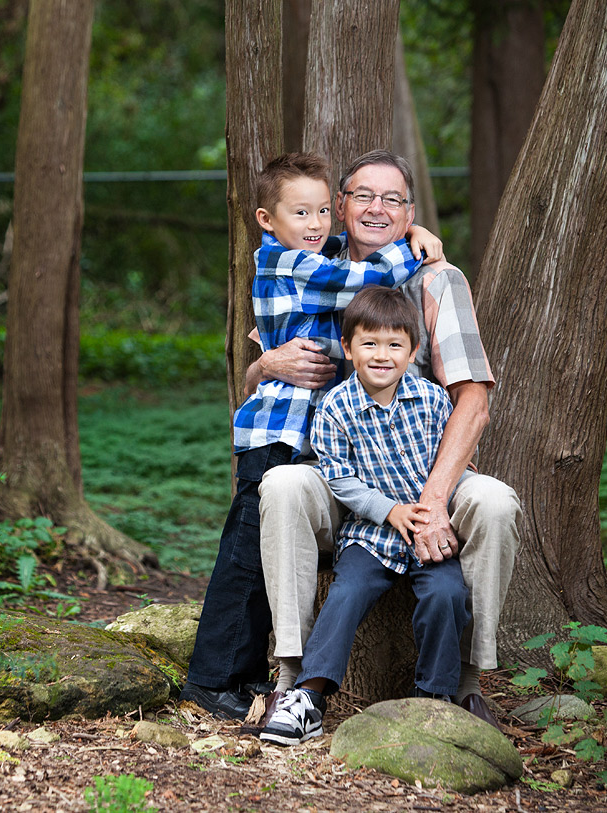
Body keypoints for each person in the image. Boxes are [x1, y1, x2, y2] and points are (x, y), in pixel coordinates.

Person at [256, 150, 521, 729]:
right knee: (282, 485)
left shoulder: (437, 278)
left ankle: (469, 684)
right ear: (340, 205)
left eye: (393, 200)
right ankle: (290, 682)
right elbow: (262, 358)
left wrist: (431, 503)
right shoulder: (308, 262)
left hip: (426, 469)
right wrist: (264, 364)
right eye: (362, 196)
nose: (376, 209)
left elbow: (473, 400)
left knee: (496, 502)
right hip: (345, 470)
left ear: (410, 214)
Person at [179, 152, 442, 719]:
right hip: (278, 435)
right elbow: (366, 279)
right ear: (267, 219)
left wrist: (407, 224)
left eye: (324, 210)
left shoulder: (301, 255)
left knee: (257, 553)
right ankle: (214, 678)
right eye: (303, 212)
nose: (318, 223)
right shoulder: (293, 263)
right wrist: (414, 241)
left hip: (296, 435)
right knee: (247, 559)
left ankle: (241, 675)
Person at [259, 286, 471, 745]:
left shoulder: (434, 401)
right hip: (370, 535)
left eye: (395, 344)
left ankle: (434, 700)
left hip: (426, 534)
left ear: (413, 352)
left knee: (447, 595)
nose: (382, 355)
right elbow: (339, 476)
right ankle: (309, 696)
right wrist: (389, 510)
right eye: (369, 343)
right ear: (349, 348)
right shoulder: (335, 407)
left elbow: (450, 463)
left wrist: (431, 512)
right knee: (346, 592)